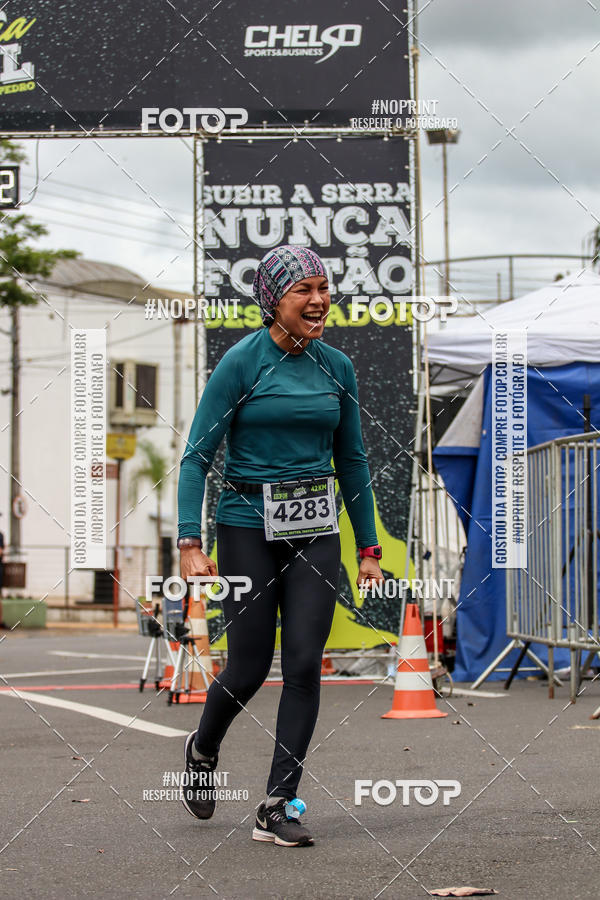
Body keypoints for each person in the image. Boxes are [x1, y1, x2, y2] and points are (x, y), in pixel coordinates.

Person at [177, 245, 384, 847]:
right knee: (245, 667)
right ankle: (203, 745)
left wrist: (368, 546)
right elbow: (196, 458)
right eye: (305, 290)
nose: (319, 300)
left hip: (315, 528)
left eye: (324, 288)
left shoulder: (336, 366)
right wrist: (191, 541)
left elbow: (353, 459)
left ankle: (277, 804)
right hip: (245, 526)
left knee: (302, 664)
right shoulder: (242, 363)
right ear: (274, 300)